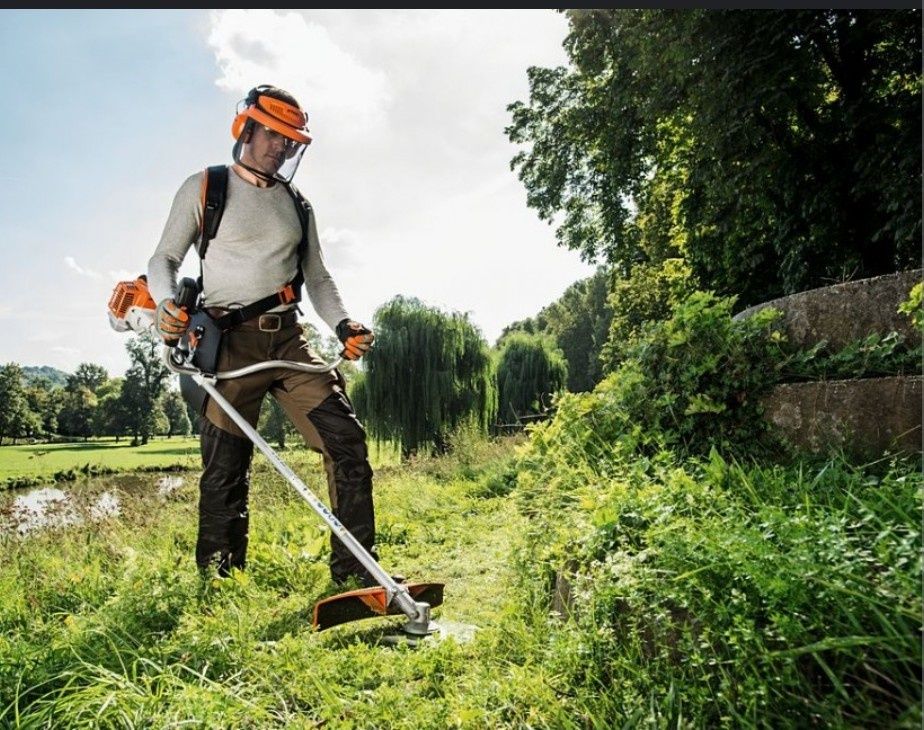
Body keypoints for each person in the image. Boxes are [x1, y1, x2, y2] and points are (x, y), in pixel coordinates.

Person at [147, 84, 391, 588]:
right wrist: (167, 302)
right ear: (247, 129)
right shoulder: (206, 187)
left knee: (346, 444)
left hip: (289, 343)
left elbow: (319, 278)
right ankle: (220, 583)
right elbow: (164, 259)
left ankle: (356, 572)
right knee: (224, 468)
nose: (282, 148)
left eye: (291, 141)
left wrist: (344, 324)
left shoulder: (298, 205)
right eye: (276, 136)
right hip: (228, 345)